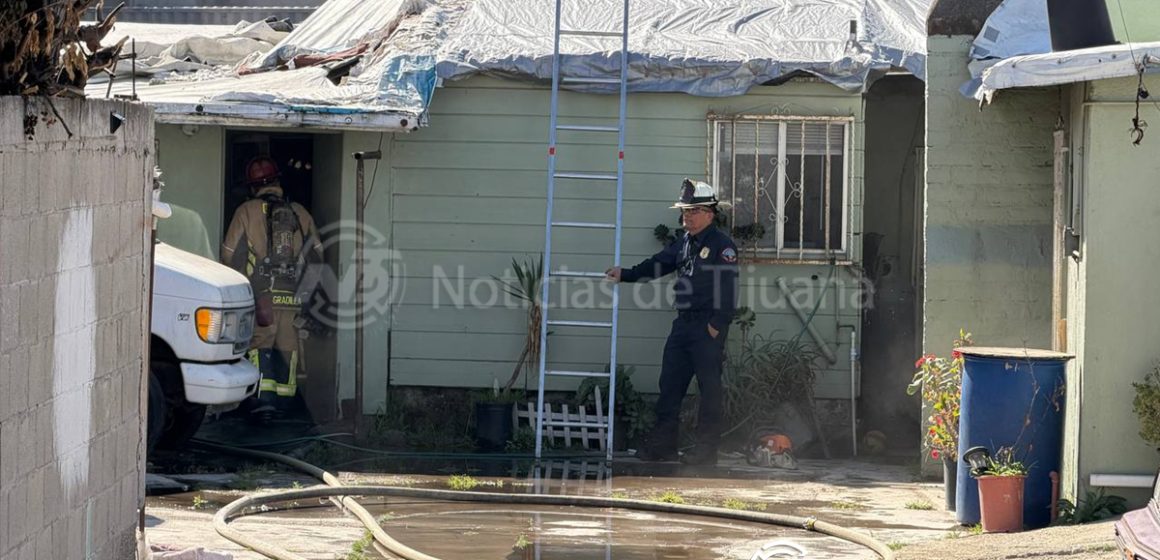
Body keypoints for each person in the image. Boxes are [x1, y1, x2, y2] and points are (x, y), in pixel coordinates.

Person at [605, 179, 739, 465]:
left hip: (707, 326)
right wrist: (626, 274)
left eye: (693, 211)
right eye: (684, 212)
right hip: (684, 325)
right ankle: (663, 446)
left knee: (709, 390)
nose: (686, 217)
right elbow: (658, 264)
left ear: (709, 213)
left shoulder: (722, 246)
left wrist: (716, 325)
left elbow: (728, 290)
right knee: (670, 386)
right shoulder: (685, 242)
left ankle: (705, 453)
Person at [221, 156, 323, 423]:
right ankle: (286, 404)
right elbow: (317, 259)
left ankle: (260, 401)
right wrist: (306, 298)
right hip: (292, 298)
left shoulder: (246, 212)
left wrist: (245, 292)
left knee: (259, 345)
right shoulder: (301, 213)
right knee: (289, 348)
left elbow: (230, 255)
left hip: (261, 297)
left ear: (253, 186)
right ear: (277, 180)